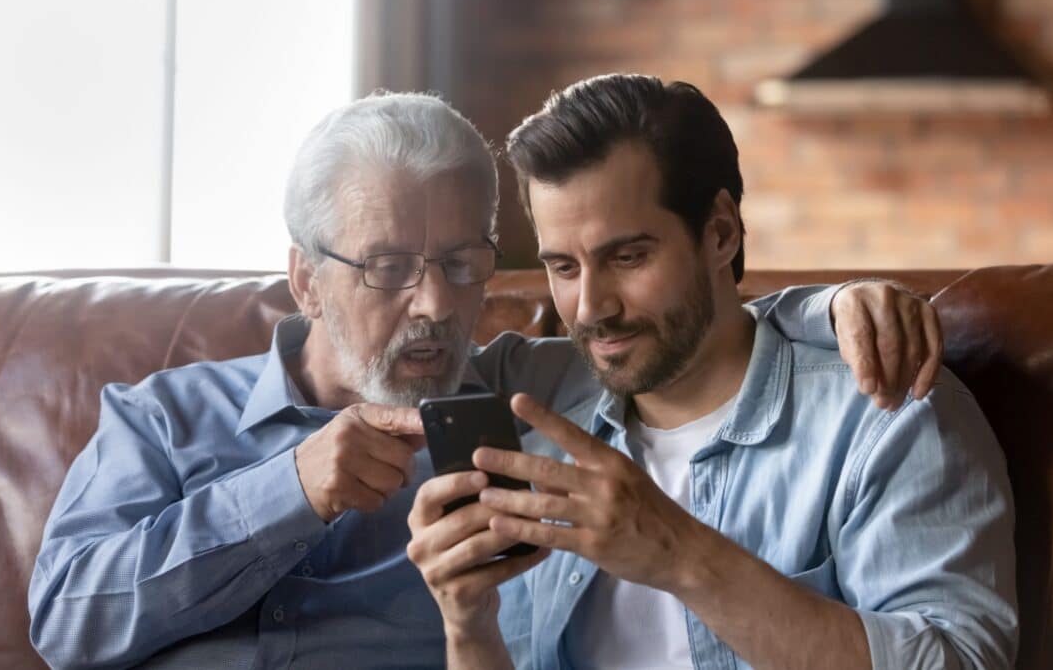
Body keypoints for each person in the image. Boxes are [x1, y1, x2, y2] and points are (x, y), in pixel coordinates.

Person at [28, 91, 943, 668]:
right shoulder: (163, 417)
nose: (433, 303)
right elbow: (67, 621)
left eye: (464, 263)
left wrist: (826, 307)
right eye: (388, 266)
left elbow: (678, 334)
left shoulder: (513, 406)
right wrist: (292, 490)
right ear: (306, 278)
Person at [407, 75, 1017, 670]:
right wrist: (468, 629)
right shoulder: (533, 406)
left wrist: (681, 555)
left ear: (720, 232)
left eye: (628, 257)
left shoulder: (884, 411)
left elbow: (959, 659)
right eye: (564, 267)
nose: (592, 308)